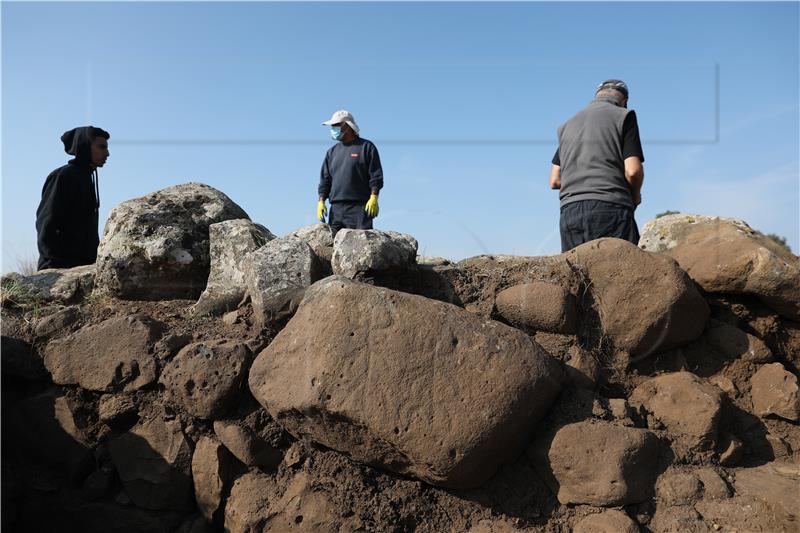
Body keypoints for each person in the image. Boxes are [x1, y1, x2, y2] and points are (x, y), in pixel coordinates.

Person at [549, 79, 645, 252]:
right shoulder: (624, 115)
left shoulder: (567, 126)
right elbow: (632, 171)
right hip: (610, 208)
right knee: (621, 274)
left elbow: (554, 180)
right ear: (624, 101)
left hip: (570, 214)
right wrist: (636, 196)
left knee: (579, 275)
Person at [35, 126, 110, 270]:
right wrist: (54, 266)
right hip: (58, 270)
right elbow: (46, 222)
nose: (107, 153)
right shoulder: (63, 176)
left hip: (84, 268)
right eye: (102, 147)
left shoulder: (87, 178)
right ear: (85, 146)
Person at [317, 110, 383, 234]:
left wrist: (374, 197)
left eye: (336, 125)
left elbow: (376, 176)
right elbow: (325, 180)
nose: (333, 129)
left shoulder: (366, 147)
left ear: (347, 126)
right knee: (334, 245)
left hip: (360, 208)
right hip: (336, 209)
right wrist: (321, 201)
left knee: (360, 247)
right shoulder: (331, 152)